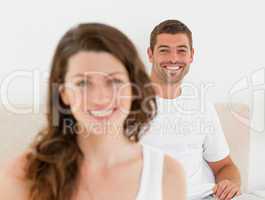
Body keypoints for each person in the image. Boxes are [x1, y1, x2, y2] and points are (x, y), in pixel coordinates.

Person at [0, 23, 186, 200]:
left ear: (133, 88)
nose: (100, 98)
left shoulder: (168, 174)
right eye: (83, 83)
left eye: (114, 81)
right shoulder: (24, 175)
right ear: (64, 93)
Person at [141, 19, 241, 200]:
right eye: (164, 50)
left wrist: (230, 184)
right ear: (150, 54)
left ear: (191, 56)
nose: (173, 58)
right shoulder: (126, 104)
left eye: (181, 50)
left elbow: (225, 166)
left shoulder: (202, 105)